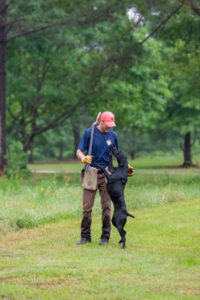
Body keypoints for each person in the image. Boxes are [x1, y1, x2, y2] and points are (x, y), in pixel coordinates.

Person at [76, 111, 134, 245]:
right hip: (91, 172)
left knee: (107, 207)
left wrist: (126, 167)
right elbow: (79, 151)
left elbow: (117, 155)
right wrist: (83, 158)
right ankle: (85, 237)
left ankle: (105, 237)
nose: (109, 127)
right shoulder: (88, 133)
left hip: (108, 175)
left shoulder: (113, 136)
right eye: (107, 124)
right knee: (87, 207)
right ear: (101, 121)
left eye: (111, 125)